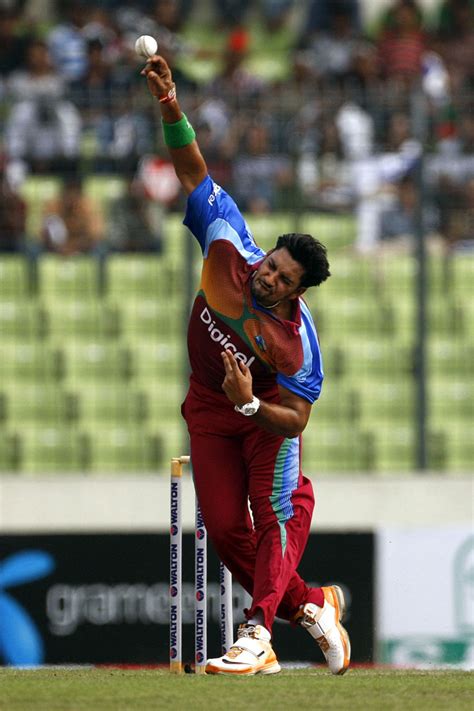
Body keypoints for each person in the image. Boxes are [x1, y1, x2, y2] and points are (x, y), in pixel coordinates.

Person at [142, 55, 350, 676]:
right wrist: (170, 104)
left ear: (297, 293)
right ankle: (313, 605)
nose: (267, 277)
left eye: (282, 279)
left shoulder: (297, 344)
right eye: (271, 264)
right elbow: (191, 168)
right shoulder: (229, 238)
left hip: (262, 418)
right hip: (209, 403)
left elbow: (297, 420)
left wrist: (252, 403)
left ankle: (257, 635)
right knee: (229, 531)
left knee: (277, 511)